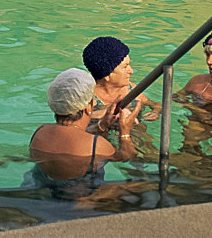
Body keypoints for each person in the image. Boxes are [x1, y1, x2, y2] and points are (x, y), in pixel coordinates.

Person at [28, 68, 140, 200]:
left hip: (43, 194)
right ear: (88, 108)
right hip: (80, 202)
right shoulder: (95, 145)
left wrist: (101, 125)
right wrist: (125, 132)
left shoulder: (40, 132)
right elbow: (127, 156)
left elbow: (71, 135)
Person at [82, 37, 159, 130]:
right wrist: (114, 112)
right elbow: (77, 120)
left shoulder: (131, 89)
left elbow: (156, 105)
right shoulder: (88, 98)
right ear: (107, 75)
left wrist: (156, 111)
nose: (131, 71)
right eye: (125, 67)